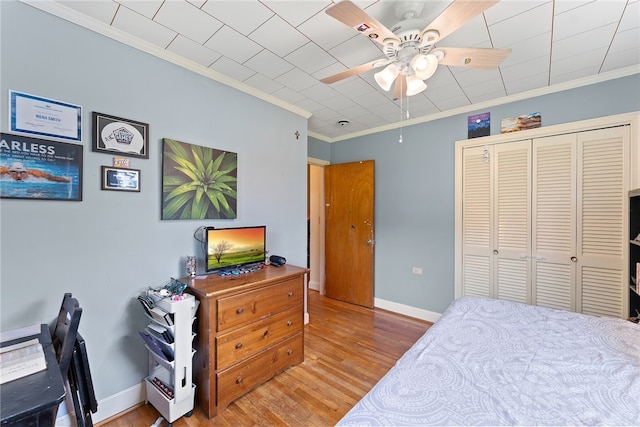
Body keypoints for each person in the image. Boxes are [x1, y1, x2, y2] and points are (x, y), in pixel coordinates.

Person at [0, 161, 71, 182]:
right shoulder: (2, 172)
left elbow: (52, 177)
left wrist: (66, 180)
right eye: (14, 172)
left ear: (27, 172)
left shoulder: (36, 173)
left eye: (22, 172)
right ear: (9, 172)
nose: (19, 176)